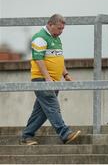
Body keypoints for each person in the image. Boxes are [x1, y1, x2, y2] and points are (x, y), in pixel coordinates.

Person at [20, 14, 81, 145]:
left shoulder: (56, 38)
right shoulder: (40, 37)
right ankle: (65, 133)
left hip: (54, 80)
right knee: (53, 107)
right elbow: (38, 59)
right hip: (42, 80)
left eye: (63, 29)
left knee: (41, 112)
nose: (61, 32)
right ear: (50, 24)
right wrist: (47, 78)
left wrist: (66, 74)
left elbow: (59, 58)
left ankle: (26, 136)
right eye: (59, 28)